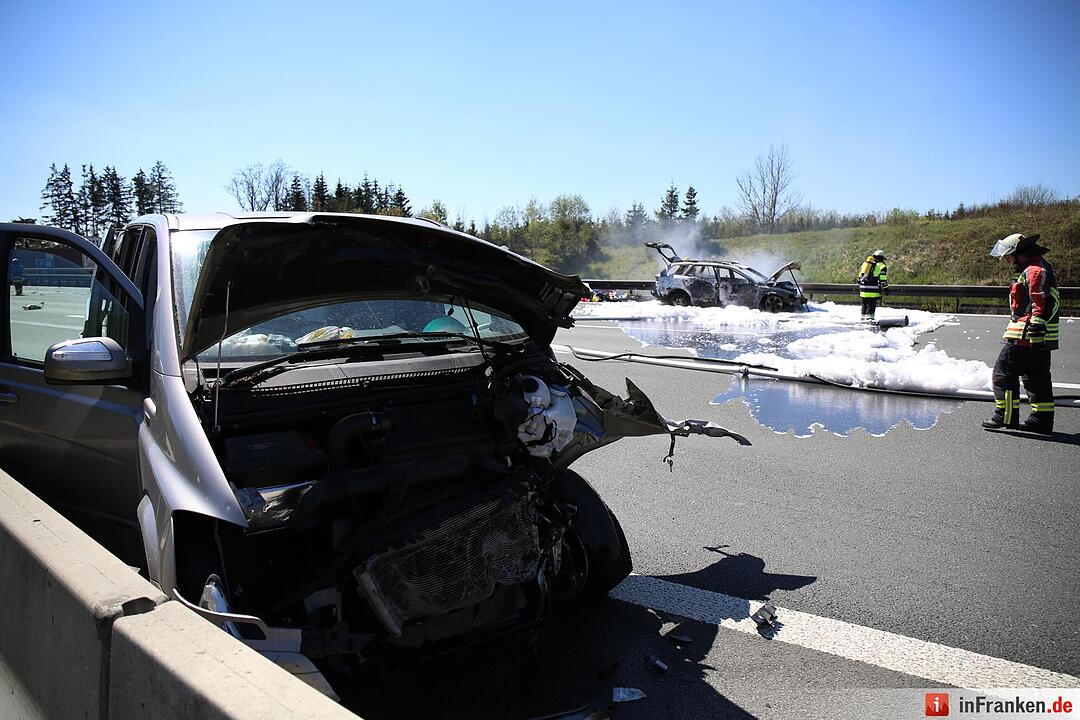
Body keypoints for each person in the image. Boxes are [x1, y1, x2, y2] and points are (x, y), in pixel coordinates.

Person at [982, 233, 1060, 433]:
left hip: (1026, 336)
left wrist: (1036, 325)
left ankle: (1004, 416)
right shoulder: (1040, 267)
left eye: (1009, 257)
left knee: (1003, 373)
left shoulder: (1034, 271)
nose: (1008, 261)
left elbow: (1041, 301)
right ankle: (1041, 420)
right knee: (1036, 377)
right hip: (1037, 338)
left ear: (1020, 253)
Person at [857, 250, 888, 320]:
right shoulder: (882, 266)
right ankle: (869, 320)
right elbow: (883, 278)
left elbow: (859, 276)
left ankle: (863, 318)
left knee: (865, 303)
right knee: (871, 304)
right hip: (872, 288)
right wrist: (886, 287)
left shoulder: (865, 264)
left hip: (862, 287)